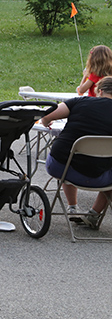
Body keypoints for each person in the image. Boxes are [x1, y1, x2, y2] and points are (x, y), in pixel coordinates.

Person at [41, 76, 112, 227]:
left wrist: (47, 123)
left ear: (99, 91)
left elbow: (46, 116)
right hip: (103, 178)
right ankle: (93, 215)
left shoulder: (79, 101)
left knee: (69, 154)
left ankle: (72, 207)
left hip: (62, 168)